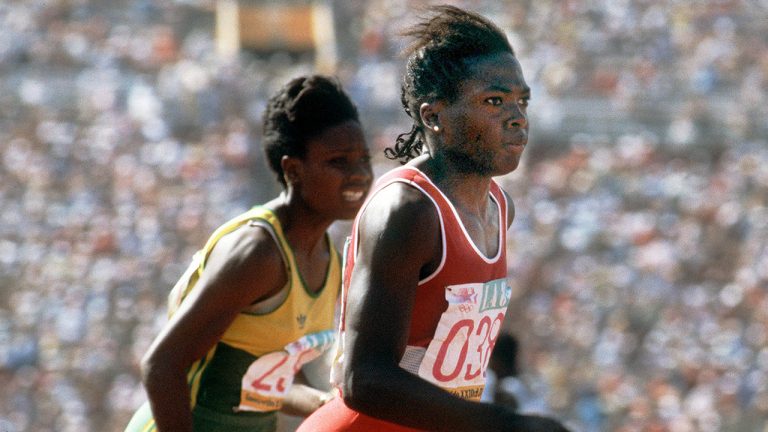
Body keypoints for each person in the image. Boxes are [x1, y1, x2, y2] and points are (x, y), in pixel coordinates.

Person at [298, 5, 569, 432]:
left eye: (521, 101)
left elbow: (441, 349)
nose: (517, 117)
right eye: (494, 101)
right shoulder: (407, 210)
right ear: (434, 116)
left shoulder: (500, 206)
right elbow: (363, 378)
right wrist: (503, 424)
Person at [125, 74, 373, 432]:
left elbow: (263, 384)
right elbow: (162, 366)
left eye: (363, 159)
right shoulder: (258, 253)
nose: (359, 174)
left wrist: (323, 403)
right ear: (293, 169)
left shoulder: (328, 259)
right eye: (339, 161)